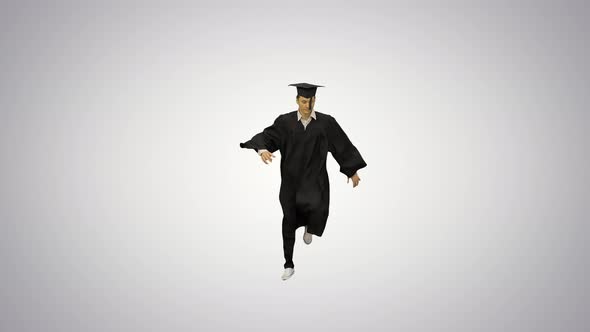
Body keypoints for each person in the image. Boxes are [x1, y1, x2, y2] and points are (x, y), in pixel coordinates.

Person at [239, 83, 367, 281]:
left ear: (315, 100)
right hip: (291, 182)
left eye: (311, 101)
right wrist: (262, 149)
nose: (308, 105)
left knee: (317, 207)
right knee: (289, 219)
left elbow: (342, 144)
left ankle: (310, 226)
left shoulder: (326, 123)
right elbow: (268, 137)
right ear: (297, 100)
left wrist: (352, 170)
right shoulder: (285, 122)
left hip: (315, 180)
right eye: (304, 101)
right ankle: (289, 263)